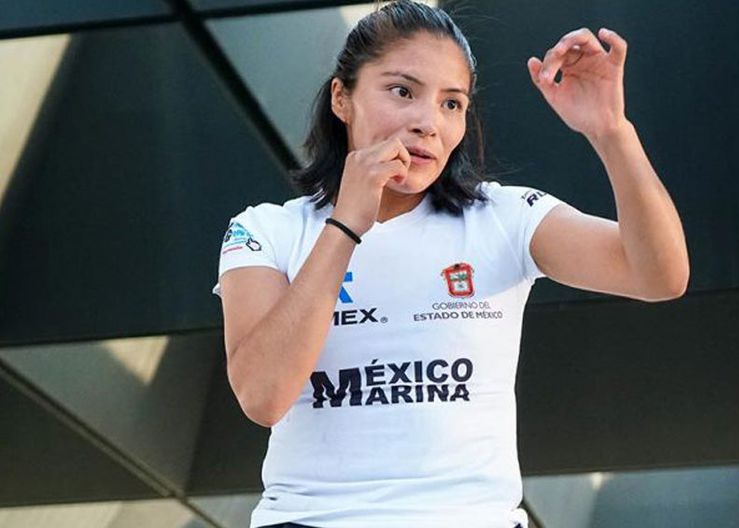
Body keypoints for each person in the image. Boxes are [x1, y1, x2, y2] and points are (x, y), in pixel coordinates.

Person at [212, 1, 689, 527]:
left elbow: (659, 276)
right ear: (342, 98)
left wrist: (611, 131)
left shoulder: (504, 217)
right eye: (403, 91)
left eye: (451, 104)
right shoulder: (266, 230)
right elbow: (262, 397)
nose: (428, 123)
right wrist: (346, 224)